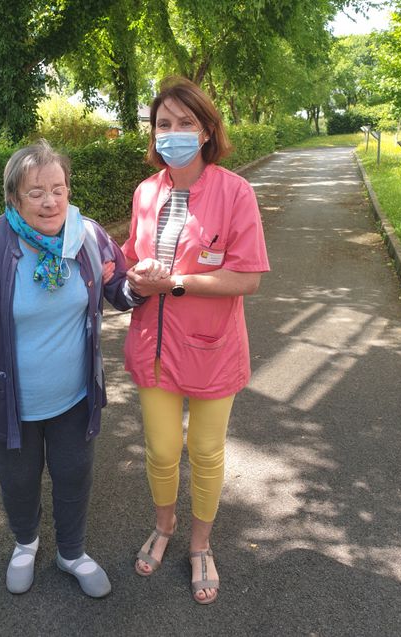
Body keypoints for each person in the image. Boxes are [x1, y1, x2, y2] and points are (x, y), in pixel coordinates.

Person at [0, 139, 140, 599]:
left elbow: (119, 288)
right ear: (14, 198)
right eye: (36, 192)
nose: (50, 200)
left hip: (74, 395)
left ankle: (71, 552)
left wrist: (141, 286)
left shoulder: (88, 237)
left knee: (75, 475)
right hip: (9, 400)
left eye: (58, 188)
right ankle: (25, 544)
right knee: (17, 480)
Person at [122, 76, 270, 604]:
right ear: (154, 133)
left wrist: (175, 283)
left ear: (207, 131)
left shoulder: (235, 192)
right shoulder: (146, 193)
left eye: (186, 123)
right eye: (165, 124)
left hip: (211, 348)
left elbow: (247, 277)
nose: (174, 133)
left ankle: (200, 544)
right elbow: (131, 255)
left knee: (205, 452)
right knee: (162, 451)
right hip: (153, 347)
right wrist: (131, 275)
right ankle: (164, 527)